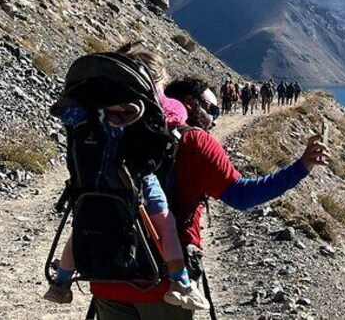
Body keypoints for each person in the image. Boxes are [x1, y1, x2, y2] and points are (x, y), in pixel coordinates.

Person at [89, 76, 328, 319]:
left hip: (105, 273)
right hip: (163, 283)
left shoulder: (110, 133)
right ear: (191, 104)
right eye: (213, 109)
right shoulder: (195, 141)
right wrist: (301, 167)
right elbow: (242, 196)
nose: (215, 119)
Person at [45, 46, 210, 311]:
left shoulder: (86, 109)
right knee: (165, 222)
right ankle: (180, 283)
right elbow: (174, 115)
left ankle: (61, 282)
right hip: (133, 176)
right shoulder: (137, 106)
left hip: (92, 177)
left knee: (82, 225)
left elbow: (61, 110)